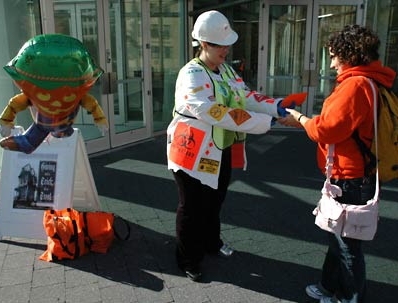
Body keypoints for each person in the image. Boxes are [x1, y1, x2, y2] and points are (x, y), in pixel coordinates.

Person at [166, 10, 296, 281]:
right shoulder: (191, 74)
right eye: (218, 44)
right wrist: (266, 122)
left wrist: (276, 106)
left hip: (218, 148)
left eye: (227, 44)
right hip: (192, 150)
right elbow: (213, 112)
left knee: (215, 200)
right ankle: (188, 258)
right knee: (191, 207)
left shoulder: (225, 69)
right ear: (203, 44)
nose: (226, 49)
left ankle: (211, 243)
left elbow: (245, 95)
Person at [279, 25, 396, 303]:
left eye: (334, 56)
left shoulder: (355, 85)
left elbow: (327, 130)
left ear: (348, 54)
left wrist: (300, 119)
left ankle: (350, 297)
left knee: (346, 247)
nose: (331, 64)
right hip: (357, 174)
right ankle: (329, 286)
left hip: (349, 178)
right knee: (338, 238)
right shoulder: (371, 81)